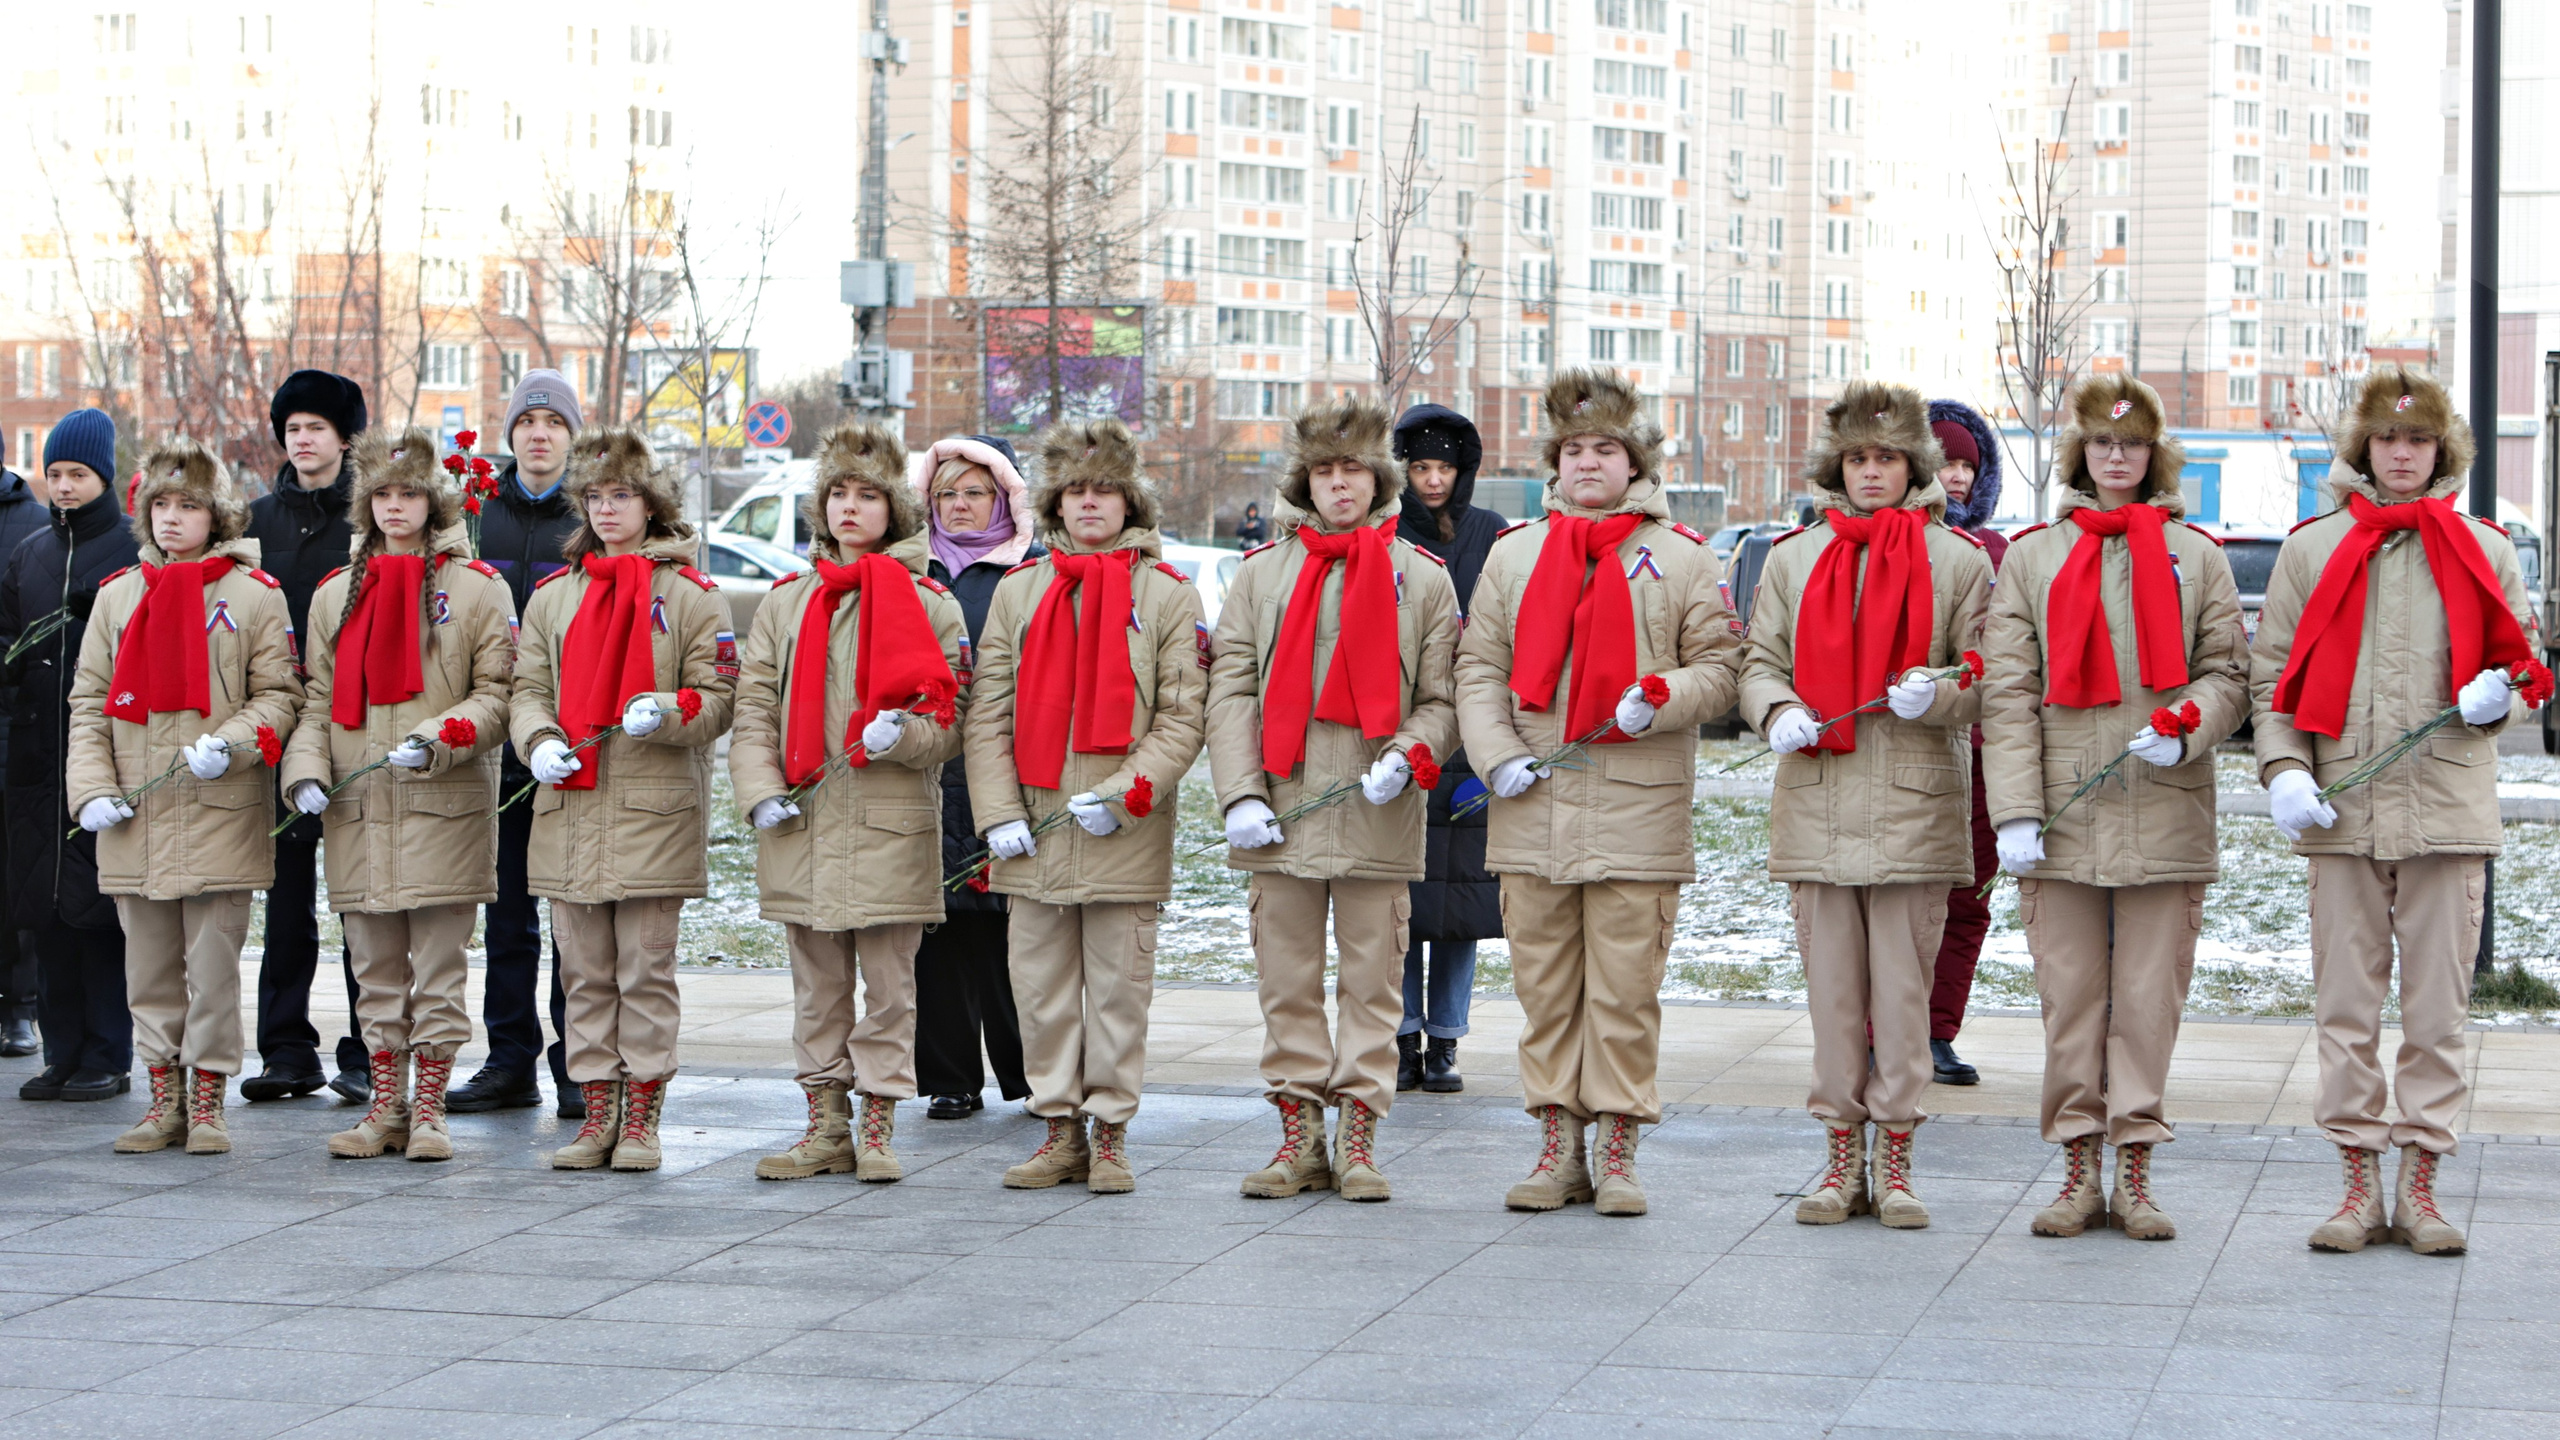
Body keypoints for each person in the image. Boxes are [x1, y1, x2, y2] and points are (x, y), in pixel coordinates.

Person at [2252, 365, 2541, 1257]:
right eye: (2388, 439)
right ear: (2364, 449)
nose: (2403, 453)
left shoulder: (2483, 548)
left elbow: (2527, 665)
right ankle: (2355, 1186)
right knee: (2345, 1011)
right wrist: (2282, 770)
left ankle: (2419, 1186)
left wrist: (2507, 697)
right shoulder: (2313, 548)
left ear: (2440, 449)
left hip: (2446, 812)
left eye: (2418, 440)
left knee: (2435, 1014)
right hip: (2339, 814)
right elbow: (2272, 680)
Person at [1455, 370, 1744, 1218]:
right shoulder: (1515, 554)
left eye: (1605, 449)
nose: (1588, 462)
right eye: (1574, 449)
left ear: (1634, 462)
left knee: (1623, 995)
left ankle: (1616, 1151)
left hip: (1638, 810)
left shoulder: (1686, 557)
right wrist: (1495, 753)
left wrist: (1663, 695)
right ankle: (1557, 1149)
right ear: (1555, 462)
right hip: (1531, 807)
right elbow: (1479, 668)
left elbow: (1722, 671)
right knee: (1546, 996)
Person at [1980, 377, 2248, 1241]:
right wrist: (2014, 810)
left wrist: (2190, 726)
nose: (2118, 455)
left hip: (2163, 809)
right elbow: (2010, 692)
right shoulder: (2034, 556)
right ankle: (2075, 1172)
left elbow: (2230, 676)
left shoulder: (2194, 554)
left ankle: (2134, 1171)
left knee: (2146, 1003)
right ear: (2082, 456)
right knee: (2071, 1002)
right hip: (2060, 814)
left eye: (2132, 444)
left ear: (2154, 453)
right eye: (2102, 443)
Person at [1739, 380, 1993, 1230]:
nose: (1872, 472)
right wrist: (1776, 709)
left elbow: (1990, 672)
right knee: (1834, 1001)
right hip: (1818, 803)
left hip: (1915, 812)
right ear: (1837, 467)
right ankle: (1839, 1158)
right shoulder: (1794, 557)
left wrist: (1944, 691)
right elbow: (1758, 659)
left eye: (1887, 458)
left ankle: (1898, 1159)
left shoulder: (1957, 560)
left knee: (1903, 1001)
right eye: (1858, 458)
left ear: (1914, 464)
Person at [1208, 397, 1459, 1202]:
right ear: (1305, 481)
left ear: (1378, 479)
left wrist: (1411, 752)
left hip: (1375, 814)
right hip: (1278, 816)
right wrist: (1240, 793)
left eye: (1353, 469)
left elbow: (1443, 694)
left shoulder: (1420, 577)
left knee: (1372, 985)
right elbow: (1231, 692)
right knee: (1284, 984)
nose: (1339, 484)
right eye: (1324, 470)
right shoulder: (1260, 574)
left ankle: (1357, 1137)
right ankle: (1298, 1138)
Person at [963, 417, 1207, 1194]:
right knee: (1039, 993)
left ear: (1129, 501)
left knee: (1117, 993)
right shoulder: (1020, 591)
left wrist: (1122, 796)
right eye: (1075, 490)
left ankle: (1109, 1135)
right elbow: (989, 710)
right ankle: (1057, 1128)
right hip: (1031, 830)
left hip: (1122, 832)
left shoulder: (1167, 594)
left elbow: (1183, 714)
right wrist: (997, 811)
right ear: (1055, 504)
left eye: (1105, 490)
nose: (1090, 504)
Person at [731, 424, 968, 1182]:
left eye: (868, 495)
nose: (851, 508)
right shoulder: (787, 602)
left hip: (888, 826)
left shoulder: (930, 604)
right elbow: (754, 710)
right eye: (839, 493)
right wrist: (760, 791)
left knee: (891, 993)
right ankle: (824, 1126)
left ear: (892, 509)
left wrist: (906, 734)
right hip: (803, 826)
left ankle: (879, 1126)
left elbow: (950, 725)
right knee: (817, 990)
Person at [279, 427, 515, 1162]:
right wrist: (305, 773)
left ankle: (432, 1108)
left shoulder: (478, 588)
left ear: (434, 501)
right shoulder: (334, 592)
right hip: (359, 813)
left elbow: (499, 695)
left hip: (443, 807)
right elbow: (313, 699)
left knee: (439, 970)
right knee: (375, 972)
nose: (394, 507)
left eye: (408, 492)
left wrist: (443, 733)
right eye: (381, 494)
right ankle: (386, 1107)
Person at [68, 439, 303, 1155]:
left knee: (210, 968)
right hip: (136, 816)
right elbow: (88, 705)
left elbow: (281, 695)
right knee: (148, 972)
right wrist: (91, 792)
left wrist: (229, 742)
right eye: (161, 506)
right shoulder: (117, 595)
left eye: (189, 506)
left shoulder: (254, 595)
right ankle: (162, 1098)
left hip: (217, 812)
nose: (172, 519)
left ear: (217, 515)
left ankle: (208, 1100)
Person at [509, 426, 735, 1172]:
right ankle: (595, 1113)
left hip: (651, 811)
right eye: (596, 497)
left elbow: (721, 698)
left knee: (643, 971)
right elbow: (527, 689)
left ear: (651, 504)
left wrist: (669, 710)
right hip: (571, 808)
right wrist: (538, 738)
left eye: (623, 496)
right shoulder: (554, 596)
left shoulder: (692, 596)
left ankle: (641, 1120)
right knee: (584, 974)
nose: (608, 511)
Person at [446, 370, 587, 1119]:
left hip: (565, 739)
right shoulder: (475, 516)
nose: (540, 434)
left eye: (554, 423)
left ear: (571, 436)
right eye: (528, 421)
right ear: (510, 436)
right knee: (505, 910)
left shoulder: (591, 516)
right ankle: (509, 1059)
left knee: (567, 910)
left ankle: (577, 1061)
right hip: (493, 739)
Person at [241, 369, 370, 1104]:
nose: (303, 440)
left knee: (359, 895)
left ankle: (365, 1050)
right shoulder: (258, 519)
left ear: (343, 438)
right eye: (292, 428)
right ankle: (286, 1050)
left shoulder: (373, 518)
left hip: (351, 727)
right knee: (284, 898)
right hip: (275, 728)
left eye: (316, 427)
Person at [4, 409, 140, 1101]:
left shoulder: (128, 550)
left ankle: (108, 1053)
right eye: (54, 474)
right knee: (46, 905)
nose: (62, 487)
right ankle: (61, 1050)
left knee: (96, 908)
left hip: (104, 751)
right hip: (35, 755)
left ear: (103, 477)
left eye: (77, 474)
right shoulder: (30, 552)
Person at [912, 434, 1038, 1120]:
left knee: (1006, 933)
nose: (959, 507)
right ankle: (950, 1076)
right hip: (925, 774)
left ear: (1004, 497)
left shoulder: (1029, 573)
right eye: (946, 494)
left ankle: (1030, 1072)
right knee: (937, 933)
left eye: (974, 493)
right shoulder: (910, 571)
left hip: (1003, 777)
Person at [1391, 402, 1505, 1094]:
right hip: (1402, 730)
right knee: (1400, 899)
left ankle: (1446, 1041)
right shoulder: (1388, 531)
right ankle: (1403, 1034)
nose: (1432, 480)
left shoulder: (1491, 534)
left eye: (1444, 468)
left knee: (1461, 903)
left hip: (1473, 734)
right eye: (1421, 467)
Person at [1921, 399, 2009, 1088]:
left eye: (1966, 465)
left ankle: (1937, 1030)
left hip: (1983, 755)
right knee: (1901, 899)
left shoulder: (2002, 552)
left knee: (1968, 898)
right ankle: (1875, 1030)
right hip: (1915, 746)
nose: (1954, 477)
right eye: (1943, 461)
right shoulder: (1901, 548)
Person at [0, 453, 48, 1060]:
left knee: (12, 872)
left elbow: (27, 626)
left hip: (12, 721)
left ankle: (19, 1006)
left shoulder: (30, 525)